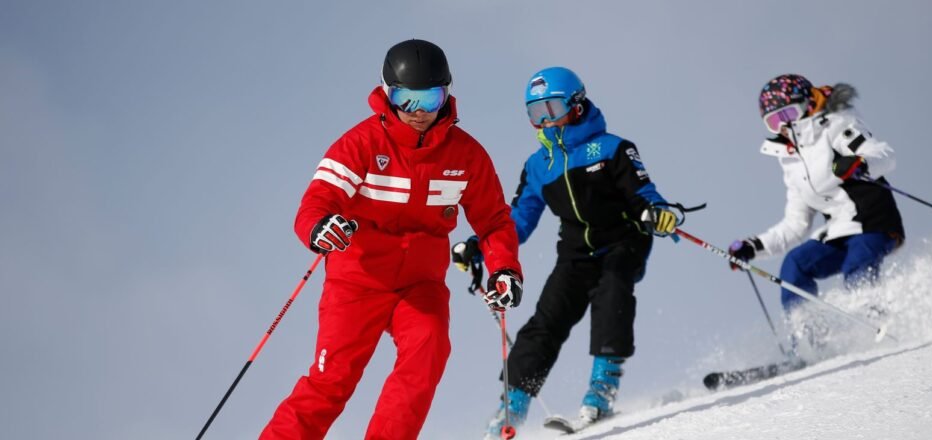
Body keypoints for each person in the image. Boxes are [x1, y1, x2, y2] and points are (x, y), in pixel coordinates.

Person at [260, 39, 523, 440]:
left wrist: (504, 269)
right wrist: (320, 227)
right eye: (406, 98)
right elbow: (318, 200)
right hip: (358, 280)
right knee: (332, 382)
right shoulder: (360, 144)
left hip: (420, 284)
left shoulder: (466, 156)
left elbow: (493, 221)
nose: (418, 112)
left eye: (430, 98)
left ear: (447, 95)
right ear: (387, 94)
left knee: (429, 351)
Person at [452, 66, 682, 437]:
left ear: (576, 104)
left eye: (552, 109)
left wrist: (656, 211)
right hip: (575, 253)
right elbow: (518, 221)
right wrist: (482, 245)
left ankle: (600, 391)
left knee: (612, 293)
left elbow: (644, 192)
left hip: (623, 239)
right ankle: (510, 410)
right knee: (546, 320)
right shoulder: (538, 165)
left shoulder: (612, 148)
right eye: (535, 113)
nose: (545, 120)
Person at [728, 73, 904, 352]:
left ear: (808, 104)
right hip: (837, 230)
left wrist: (859, 163)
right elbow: (796, 224)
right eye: (774, 120)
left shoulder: (838, 125)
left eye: (788, 113)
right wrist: (753, 247)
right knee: (795, 266)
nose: (784, 124)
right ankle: (813, 347)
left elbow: (885, 155)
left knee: (856, 268)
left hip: (873, 222)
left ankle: (883, 331)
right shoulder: (790, 159)